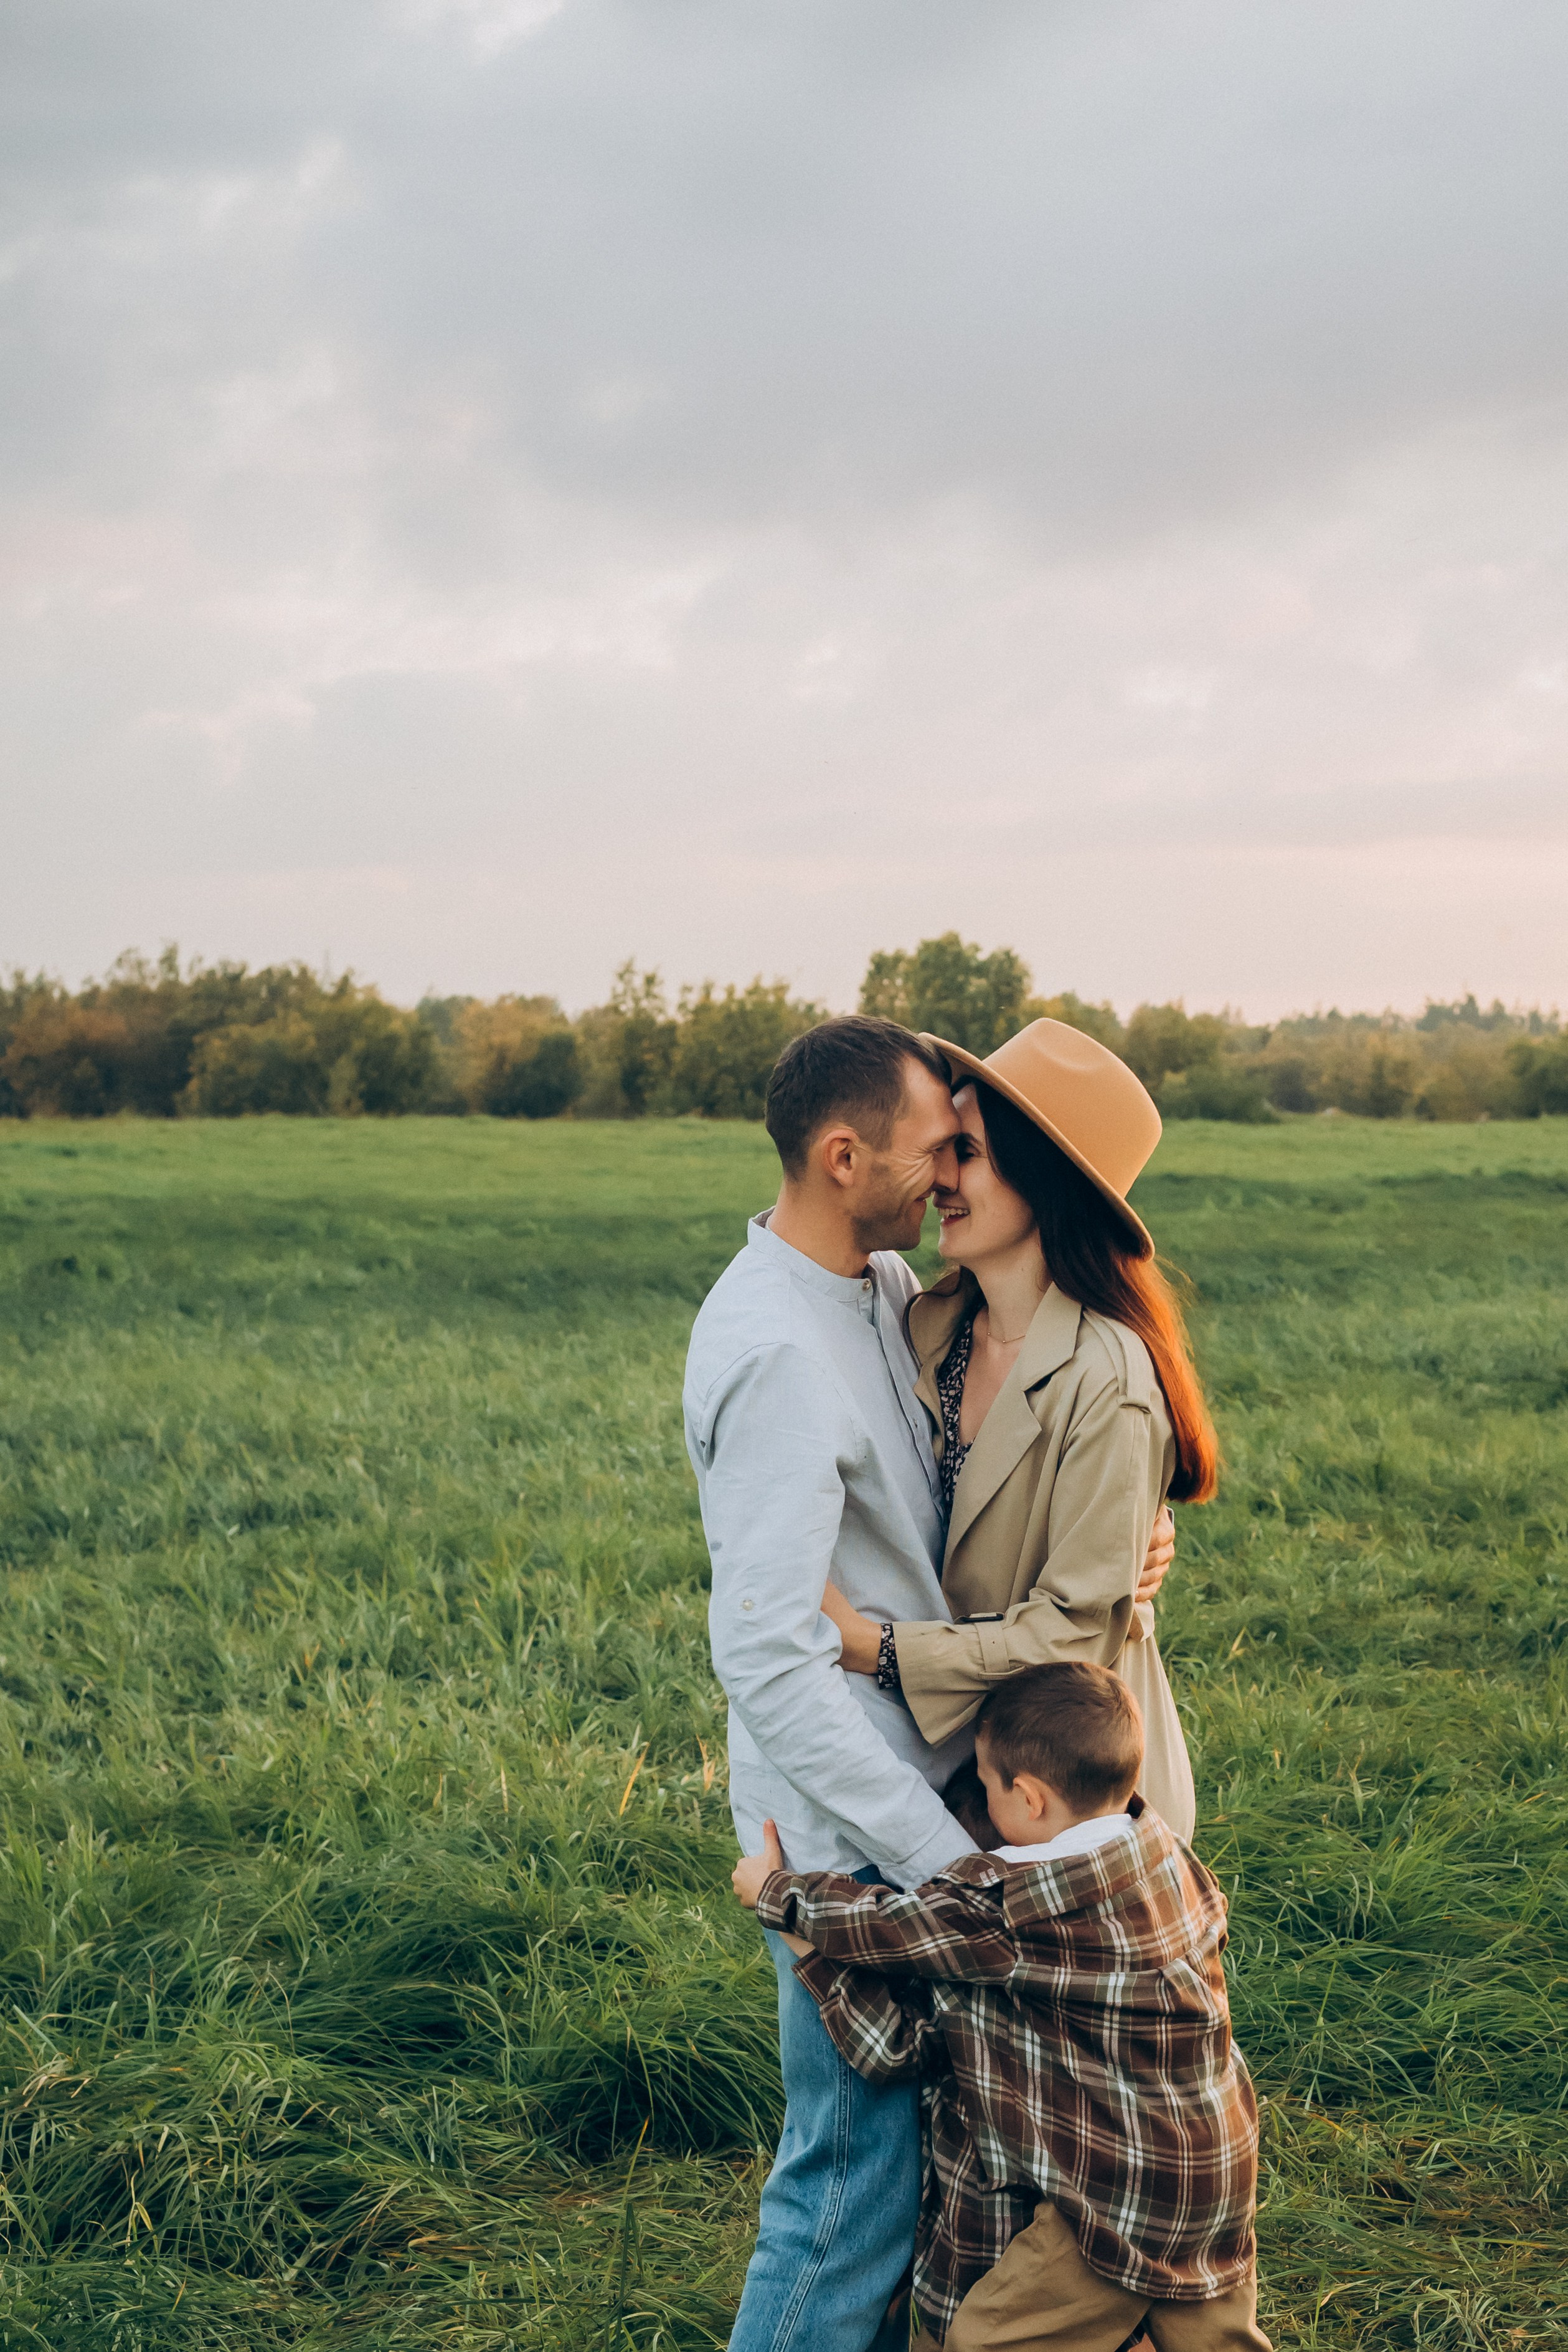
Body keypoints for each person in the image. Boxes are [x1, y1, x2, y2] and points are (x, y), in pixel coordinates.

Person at [683, 1018, 1174, 2352]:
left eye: (970, 1147)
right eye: (932, 1145)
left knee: (967, 2183)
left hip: (984, 1792)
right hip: (864, 1830)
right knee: (845, 2198)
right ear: (844, 1159)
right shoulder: (797, 1342)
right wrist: (938, 1856)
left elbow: (1041, 1518)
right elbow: (770, 1655)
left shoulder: (886, 1288)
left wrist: (1126, 1550)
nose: (945, 1171)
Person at [732, 1661, 1268, 2352]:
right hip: (1217, 2176)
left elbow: (896, 1925)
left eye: (987, 1786)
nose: (982, 1804)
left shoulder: (1016, 1906)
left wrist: (780, 1894)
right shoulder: (1161, 1854)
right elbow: (915, 2041)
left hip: (1112, 2204)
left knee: (985, 2341)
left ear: (1030, 1798)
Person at [817, 1016, 1217, 1843]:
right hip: (956, 1771)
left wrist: (878, 1648)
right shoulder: (927, 1326)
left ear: (1042, 1181)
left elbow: (1069, 1632)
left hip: (1077, 1802)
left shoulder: (1107, 1381)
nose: (937, 1178)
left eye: (964, 1152)